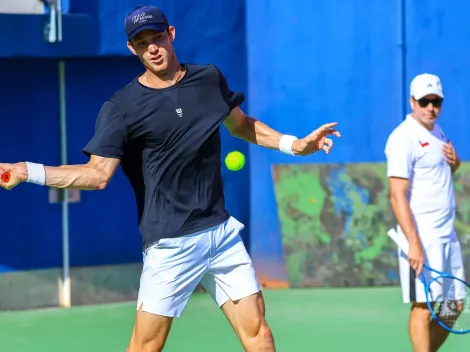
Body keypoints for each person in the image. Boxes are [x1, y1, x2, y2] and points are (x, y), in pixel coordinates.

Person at [0, 5, 341, 352]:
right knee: (146, 347)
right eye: (141, 42)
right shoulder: (122, 107)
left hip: (221, 234)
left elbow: (240, 125)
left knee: (259, 336)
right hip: (169, 244)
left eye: (157, 37)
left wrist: (295, 145)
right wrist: (29, 171)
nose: (152, 47)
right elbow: (97, 174)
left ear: (172, 34)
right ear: (132, 49)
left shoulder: (208, 78)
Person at [385, 73, 465, 352]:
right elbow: (396, 195)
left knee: (454, 305)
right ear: (412, 101)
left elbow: (440, 173)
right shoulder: (403, 138)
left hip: (447, 235)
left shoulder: (438, 132)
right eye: (424, 101)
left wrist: (454, 164)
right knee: (422, 306)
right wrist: (414, 244)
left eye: (436, 101)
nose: (431, 107)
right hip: (421, 236)